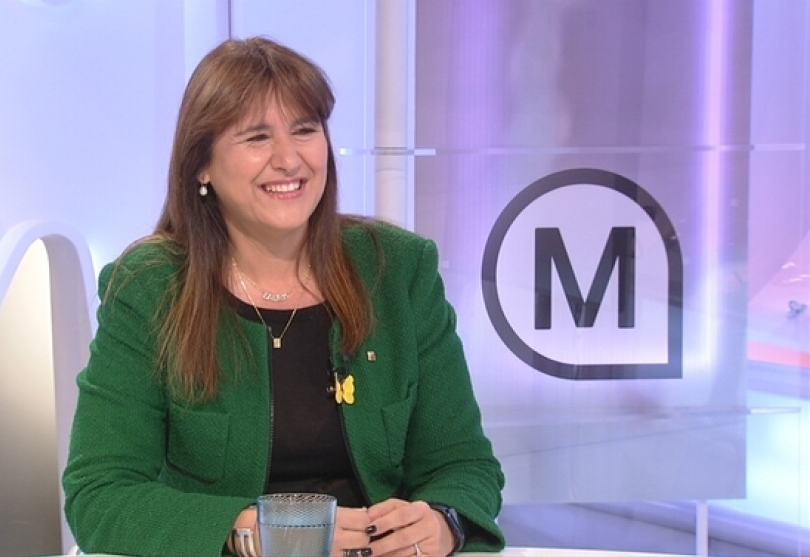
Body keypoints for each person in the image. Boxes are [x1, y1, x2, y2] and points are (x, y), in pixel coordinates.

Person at [61, 36, 506, 557]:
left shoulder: (398, 270)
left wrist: (443, 521)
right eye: (257, 137)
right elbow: (100, 494)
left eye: (304, 130)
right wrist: (250, 534)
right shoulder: (149, 287)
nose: (289, 159)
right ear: (201, 165)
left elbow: (464, 465)